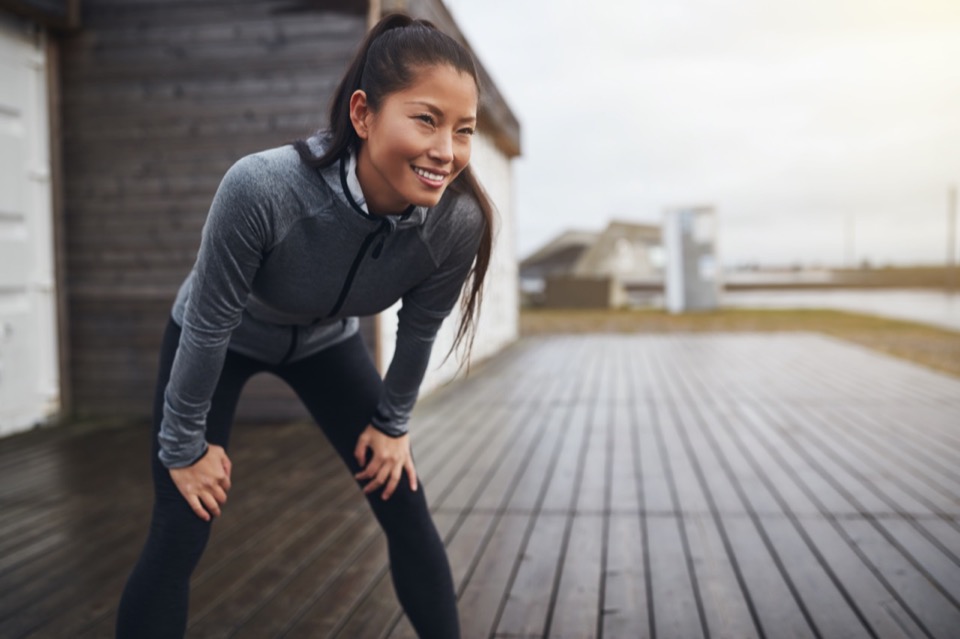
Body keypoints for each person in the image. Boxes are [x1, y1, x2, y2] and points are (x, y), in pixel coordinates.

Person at [115, 13, 495, 639]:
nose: (446, 150)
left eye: (464, 130)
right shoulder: (263, 188)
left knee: (402, 498)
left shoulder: (456, 223)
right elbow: (208, 326)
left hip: (326, 343)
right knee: (183, 523)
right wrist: (183, 448)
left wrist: (392, 426)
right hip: (222, 339)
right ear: (364, 114)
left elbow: (420, 330)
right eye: (425, 119)